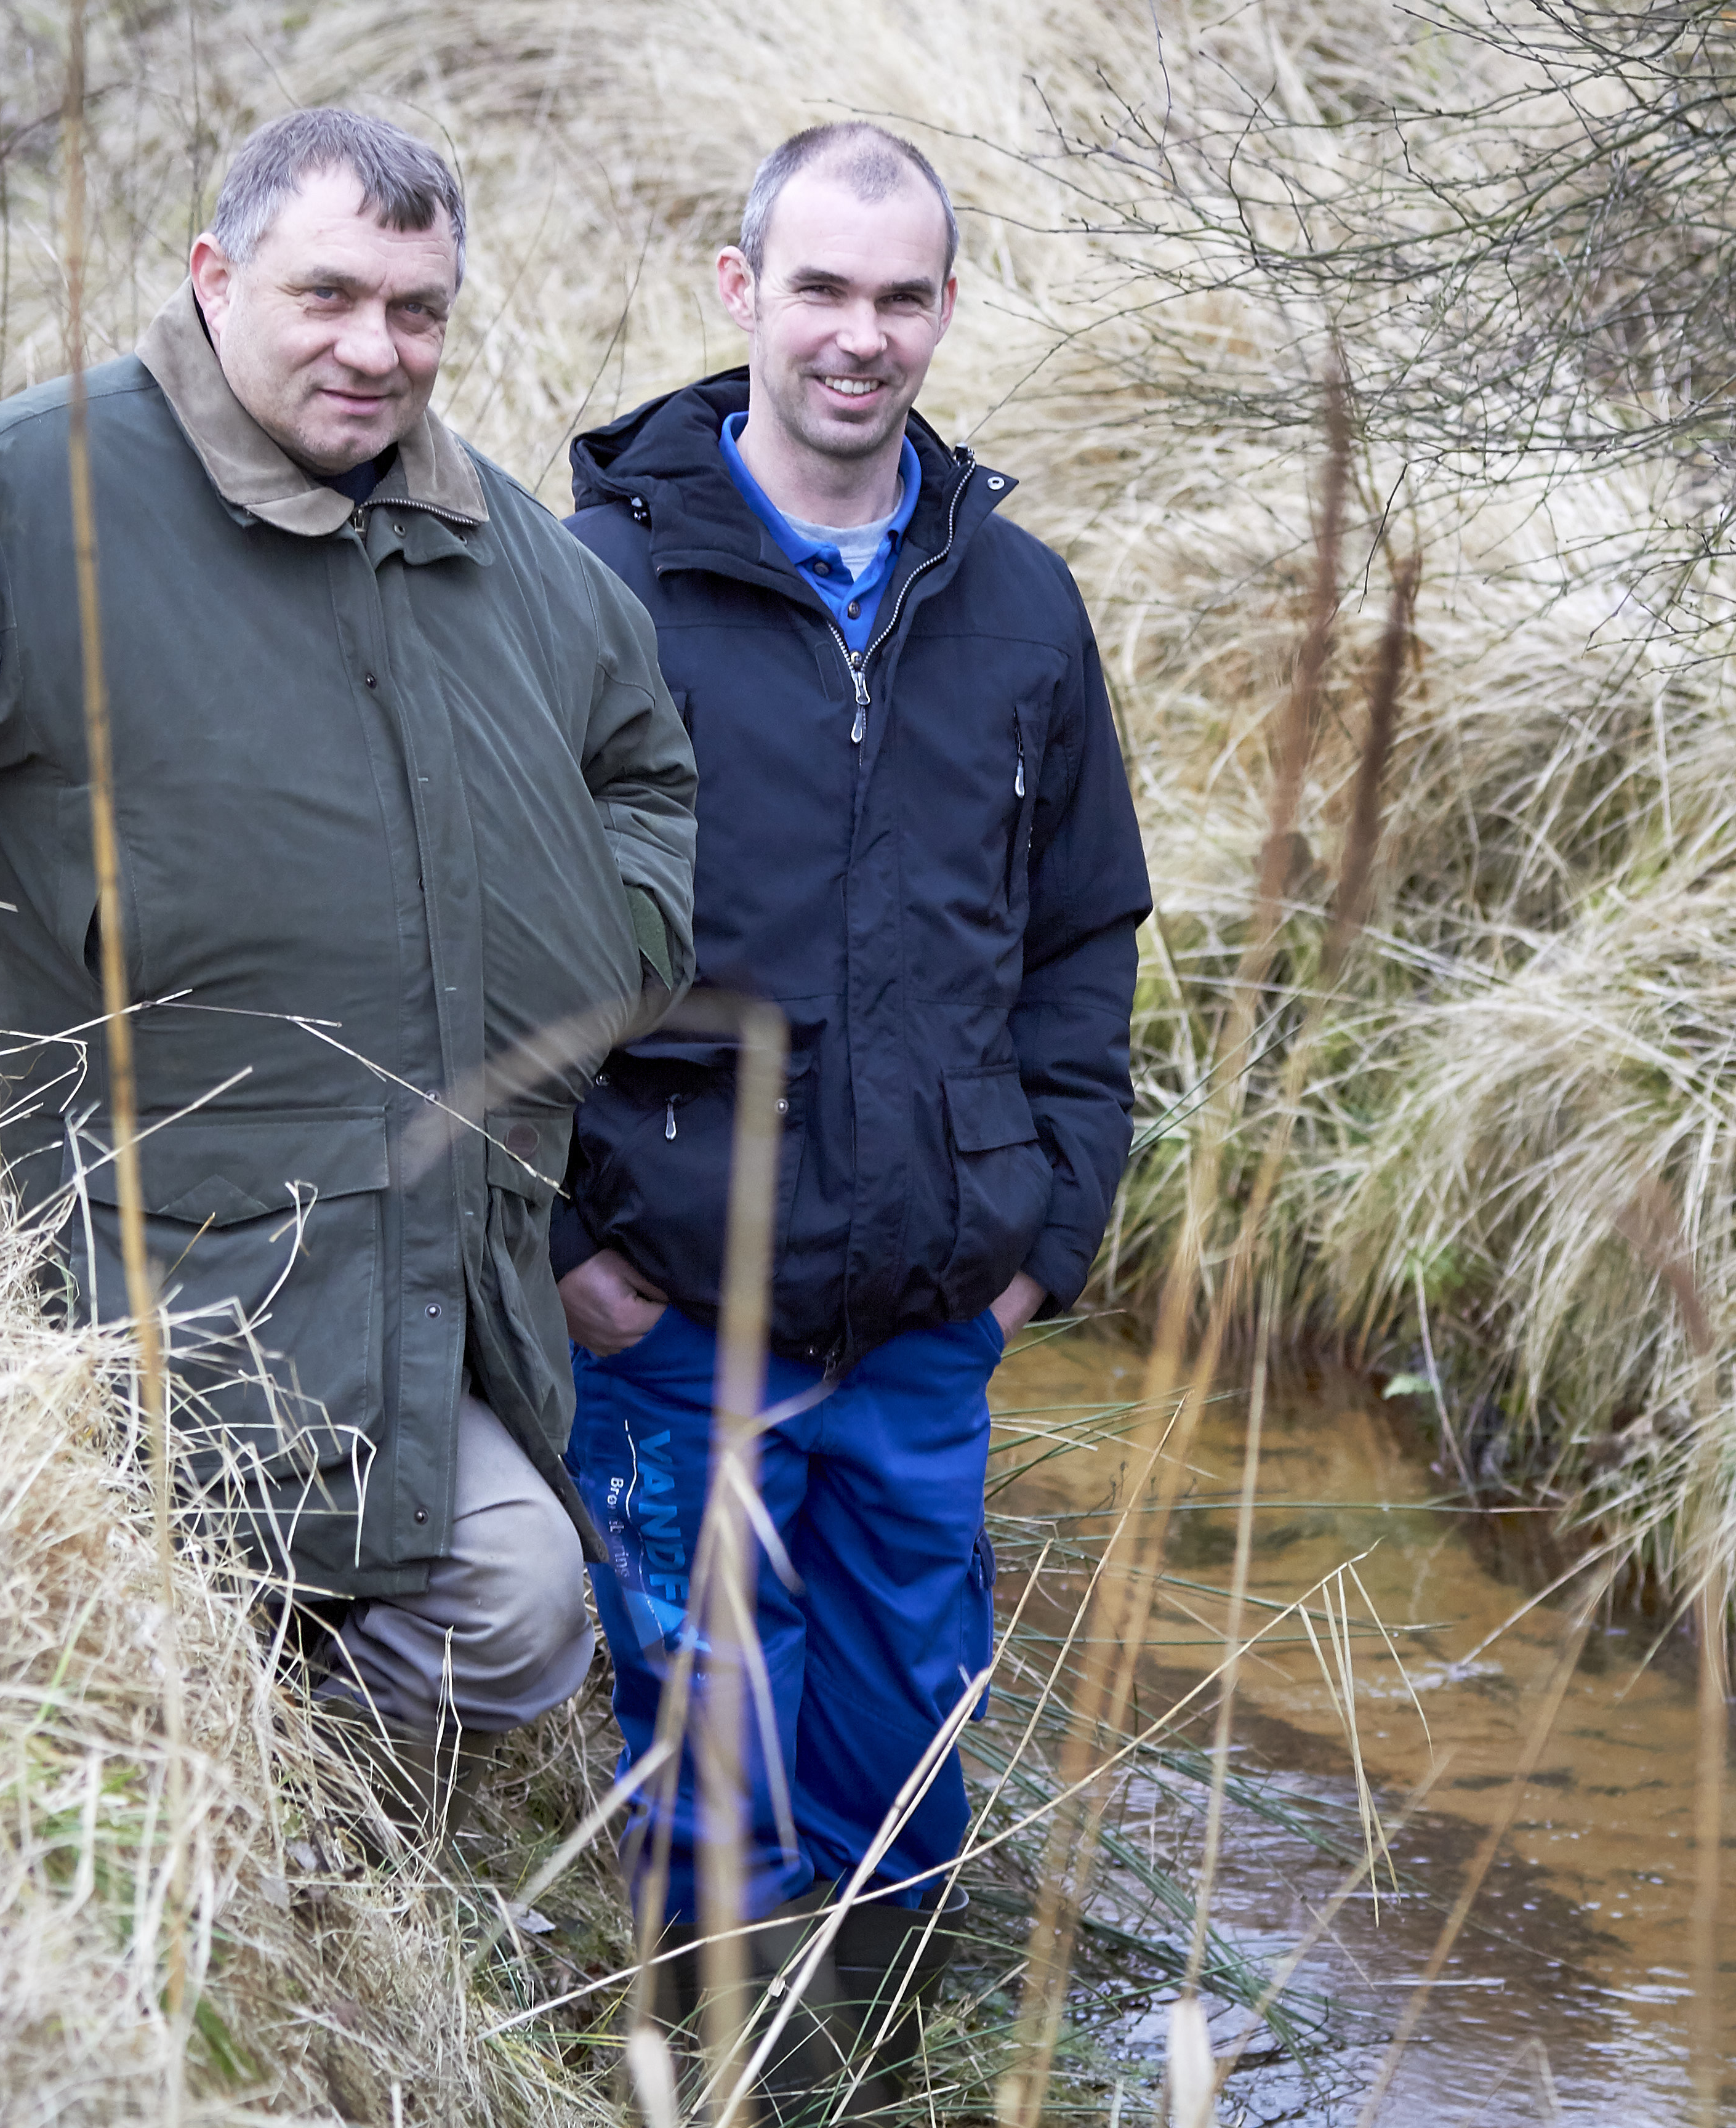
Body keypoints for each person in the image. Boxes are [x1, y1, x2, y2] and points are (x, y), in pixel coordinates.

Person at [0, 109, 697, 1775]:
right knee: (175, 1627)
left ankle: (293, 1848)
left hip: (438, 1272)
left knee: (520, 1607)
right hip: (148, 1274)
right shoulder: (5, 500)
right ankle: (205, 1838)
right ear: (211, 276)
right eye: (326, 294)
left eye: (417, 312)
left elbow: (648, 780)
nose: (373, 349)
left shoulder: (514, 557)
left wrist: (592, 951)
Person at [550, 120, 1149, 2103]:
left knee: (906, 1784)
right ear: (741, 296)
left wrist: (1046, 1239)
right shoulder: (600, 583)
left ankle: (884, 2078)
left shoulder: (1023, 606)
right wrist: (573, 1255)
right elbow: (491, 933)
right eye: (821, 287)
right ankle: (722, 2080)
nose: (860, 336)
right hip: (672, 1320)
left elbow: (1081, 941)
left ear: (946, 312)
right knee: (709, 1796)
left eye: (902, 297)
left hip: (925, 1319)